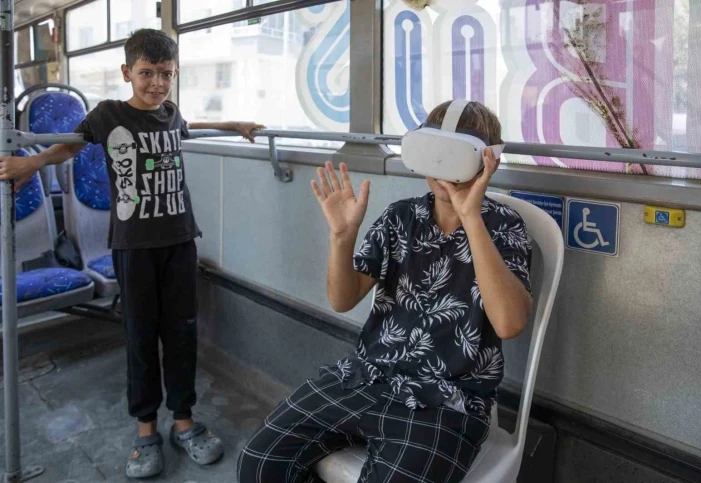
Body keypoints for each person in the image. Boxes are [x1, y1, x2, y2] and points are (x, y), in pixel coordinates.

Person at [0, 28, 265, 479]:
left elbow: (189, 126)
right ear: (127, 72)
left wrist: (233, 124)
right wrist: (33, 161)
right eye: (147, 73)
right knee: (141, 337)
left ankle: (184, 421)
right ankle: (146, 430)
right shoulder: (110, 114)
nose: (157, 83)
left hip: (180, 241)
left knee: (181, 334)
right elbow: (71, 144)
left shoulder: (171, 114)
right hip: (134, 246)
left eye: (166, 74)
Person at [236, 100, 533, 483]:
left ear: (488, 161)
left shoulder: (505, 225)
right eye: (435, 151)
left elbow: (509, 324)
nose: (444, 168)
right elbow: (343, 299)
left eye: (458, 155)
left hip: (447, 400)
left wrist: (471, 217)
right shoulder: (400, 216)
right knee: (259, 462)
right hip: (368, 374)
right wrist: (342, 238)